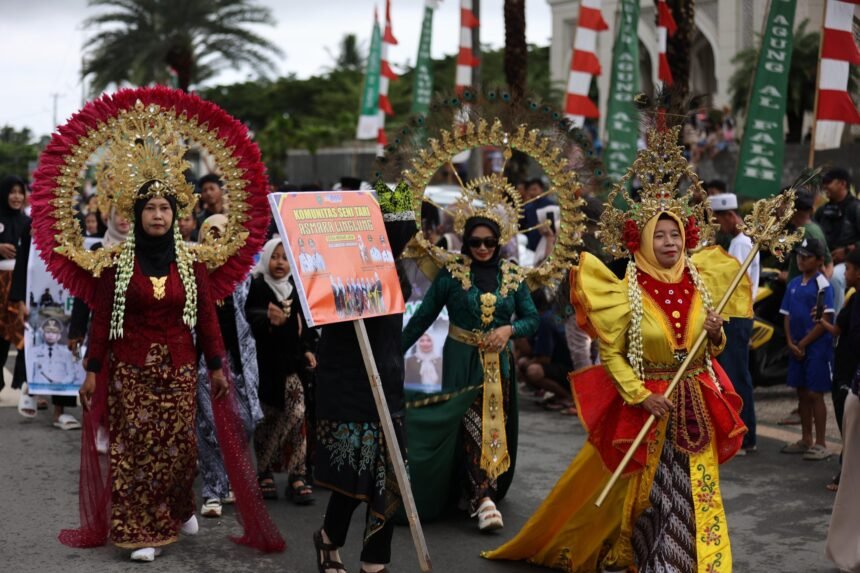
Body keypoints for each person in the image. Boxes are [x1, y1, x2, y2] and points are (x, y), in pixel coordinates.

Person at [485, 127, 751, 572]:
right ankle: (653, 559)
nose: (670, 243)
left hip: (694, 403)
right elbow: (610, 353)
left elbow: (710, 350)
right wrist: (640, 393)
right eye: (660, 235)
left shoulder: (702, 282)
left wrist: (715, 331)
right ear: (642, 239)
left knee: (696, 490)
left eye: (675, 234)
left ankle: (698, 561)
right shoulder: (624, 290)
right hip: (649, 404)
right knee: (652, 492)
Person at [34, 87, 283, 561]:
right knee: (134, 452)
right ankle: (140, 532)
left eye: (165, 208)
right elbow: (102, 320)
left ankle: (178, 502)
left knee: (180, 451)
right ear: (136, 214)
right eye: (149, 209)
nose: (157, 215)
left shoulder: (191, 264)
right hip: (130, 370)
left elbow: (207, 319)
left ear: (176, 216)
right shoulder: (115, 265)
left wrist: (214, 366)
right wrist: (91, 369)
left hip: (178, 369)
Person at [401, 215, 539, 531]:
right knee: (469, 423)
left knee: (493, 428)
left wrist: (509, 329)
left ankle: (479, 491)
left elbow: (532, 319)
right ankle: (483, 498)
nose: (482, 248)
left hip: (498, 366)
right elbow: (423, 317)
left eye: (489, 242)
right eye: (475, 242)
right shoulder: (452, 274)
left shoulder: (513, 276)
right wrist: (391, 353)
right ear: (466, 241)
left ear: (498, 243)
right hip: (460, 362)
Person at [312, 182, 414, 573]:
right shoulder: (339, 263)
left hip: (388, 383)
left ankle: (374, 561)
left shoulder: (396, 268)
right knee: (354, 476)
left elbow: (401, 222)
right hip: (347, 383)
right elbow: (317, 312)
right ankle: (329, 538)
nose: (399, 237)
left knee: (387, 477)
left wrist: (391, 187)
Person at [195, 215, 264, 518]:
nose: (215, 239)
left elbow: (255, 312)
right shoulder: (193, 275)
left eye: (221, 233)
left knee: (244, 421)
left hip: (239, 359)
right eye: (209, 234)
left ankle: (230, 477)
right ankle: (212, 492)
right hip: (203, 361)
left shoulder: (244, 275)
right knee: (210, 424)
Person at [246, 237, 317, 505]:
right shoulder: (258, 286)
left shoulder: (296, 289)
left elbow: (306, 325)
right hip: (266, 367)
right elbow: (250, 316)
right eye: (275, 257)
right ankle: (264, 472)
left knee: (298, 415)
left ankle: (297, 474)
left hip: (292, 366)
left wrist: (308, 348)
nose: (280, 263)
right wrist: (268, 320)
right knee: (268, 419)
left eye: (285, 258)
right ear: (266, 258)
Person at [710, 193, 760, 454]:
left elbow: (732, 285)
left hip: (737, 315)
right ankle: (744, 434)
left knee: (735, 376)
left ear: (730, 216)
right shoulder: (741, 241)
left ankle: (745, 435)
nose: (719, 226)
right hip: (739, 315)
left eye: (719, 220)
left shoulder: (740, 244)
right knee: (735, 374)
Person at [779, 237, 834, 461]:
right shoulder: (793, 284)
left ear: (819, 260)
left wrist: (803, 343)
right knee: (801, 392)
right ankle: (805, 438)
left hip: (816, 346)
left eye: (807, 256)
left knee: (815, 393)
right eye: (799, 256)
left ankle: (821, 442)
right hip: (797, 345)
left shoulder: (822, 285)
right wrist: (791, 341)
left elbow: (826, 318)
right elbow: (787, 315)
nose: (801, 260)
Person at [814, 248, 860, 492]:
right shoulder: (853, 298)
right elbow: (837, 330)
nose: (846, 273)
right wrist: (821, 321)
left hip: (855, 374)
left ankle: (848, 474)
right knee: (846, 422)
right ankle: (846, 471)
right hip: (844, 371)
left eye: (850, 269)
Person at [814, 167, 859, 313]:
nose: (825, 186)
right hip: (823, 259)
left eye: (828, 182)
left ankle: (832, 323)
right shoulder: (822, 211)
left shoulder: (855, 208)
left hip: (849, 263)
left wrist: (847, 251)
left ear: (842, 184)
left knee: (834, 278)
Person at [0, 176, 28, 393]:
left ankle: (26, 385)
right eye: (12, 191)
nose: (17, 196)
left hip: (19, 284)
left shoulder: (27, 222)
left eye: (20, 192)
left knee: (22, 336)